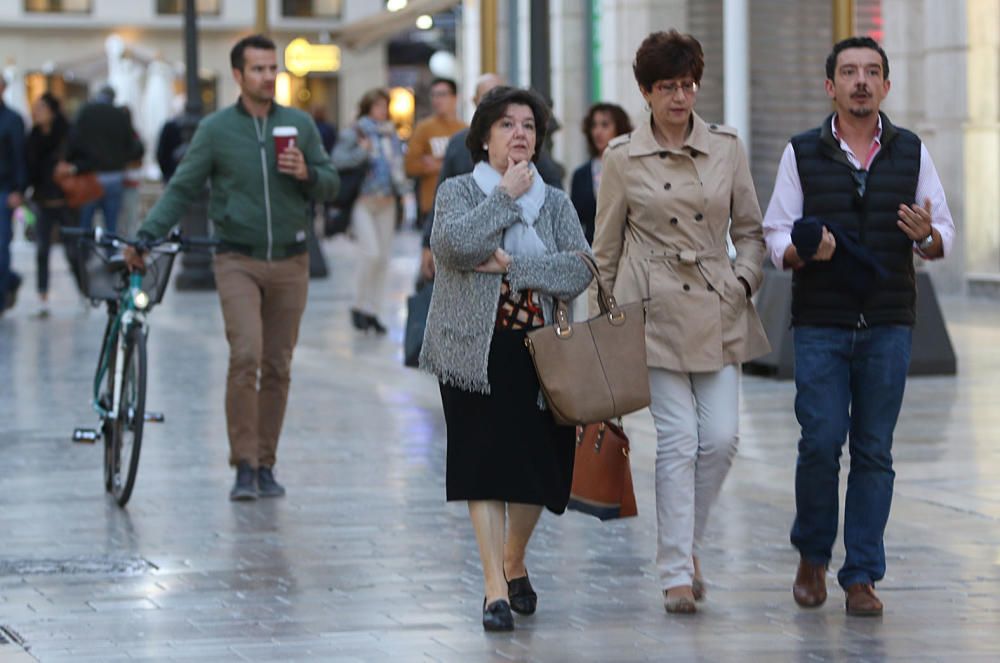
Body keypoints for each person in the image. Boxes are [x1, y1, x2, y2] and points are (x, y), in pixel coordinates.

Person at [762, 36, 955, 617]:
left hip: (890, 323)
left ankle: (863, 574)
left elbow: (943, 236)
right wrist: (803, 251)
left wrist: (925, 234)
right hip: (821, 323)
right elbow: (775, 236)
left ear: (886, 86)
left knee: (874, 450)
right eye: (849, 72)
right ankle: (812, 556)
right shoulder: (801, 153)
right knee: (821, 443)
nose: (861, 82)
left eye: (872, 72)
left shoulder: (913, 152)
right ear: (831, 86)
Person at [592, 30, 770, 614]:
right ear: (645, 91)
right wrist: (604, 324)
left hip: (718, 301)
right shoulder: (622, 157)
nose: (679, 96)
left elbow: (750, 229)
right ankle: (674, 571)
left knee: (721, 439)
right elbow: (606, 248)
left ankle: (687, 547)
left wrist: (743, 281)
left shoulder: (727, 147)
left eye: (688, 84)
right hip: (652, 309)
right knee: (679, 440)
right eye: (667, 86)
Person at [124, 34, 338, 501]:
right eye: (258, 69)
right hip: (236, 258)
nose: (268, 76)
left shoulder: (299, 125)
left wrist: (307, 173)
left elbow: (331, 185)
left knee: (278, 365)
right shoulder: (217, 130)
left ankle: (265, 462)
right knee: (245, 357)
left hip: (290, 259)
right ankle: (243, 463)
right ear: (238, 76)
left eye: (272, 68)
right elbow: (181, 188)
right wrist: (148, 234)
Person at [420, 86, 593, 632]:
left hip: (541, 350)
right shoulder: (458, 191)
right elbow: (451, 247)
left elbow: (580, 269)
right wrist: (504, 198)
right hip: (473, 349)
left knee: (538, 470)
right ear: (485, 137)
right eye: (506, 125)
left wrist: (514, 269)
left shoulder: (557, 202)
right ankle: (495, 585)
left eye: (528, 126)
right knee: (483, 467)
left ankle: (514, 557)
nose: (519, 134)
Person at [331, 88, 410, 334]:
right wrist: (362, 151)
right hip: (363, 201)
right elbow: (337, 160)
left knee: (384, 259)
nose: (382, 110)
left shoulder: (391, 134)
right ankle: (358, 304)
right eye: (377, 105)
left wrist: (402, 188)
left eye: (384, 105)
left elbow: (397, 165)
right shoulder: (356, 132)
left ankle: (373, 311)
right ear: (367, 107)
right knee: (371, 254)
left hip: (387, 201)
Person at [60, 85, 144, 234]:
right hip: (114, 174)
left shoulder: (86, 111)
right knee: (111, 226)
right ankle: (108, 256)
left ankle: (83, 255)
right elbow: (133, 146)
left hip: (90, 175)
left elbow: (72, 140)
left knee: (85, 226)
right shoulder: (119, 115)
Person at [26, 92, 80, 315]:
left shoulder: (67, 133)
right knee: (42, 250)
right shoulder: (33, 136)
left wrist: (71, 168)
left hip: (66, 200)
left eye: (40, 108)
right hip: (42, 200)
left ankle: (83, 291)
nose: (36, 113)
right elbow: (28, 167)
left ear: (51, 111)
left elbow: (86, 159)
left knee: (72, 251)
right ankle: (42, 296)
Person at [404, 78, 466, 230]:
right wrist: (447, 165)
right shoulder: (423, 128)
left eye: (442, 94)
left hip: (462, 206)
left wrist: (437, 163)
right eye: (434, 95)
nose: (437, 100)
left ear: (455, 98)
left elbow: (468, 167)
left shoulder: (465, 130)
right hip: (431, 205)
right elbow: (410, 166)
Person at [570, 103, 633, 244]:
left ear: (619, 128)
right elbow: (575, 222)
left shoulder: (633, 167)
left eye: (605, 125)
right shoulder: (581, 175)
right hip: (593, 251)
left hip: (629, 252)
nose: (598, 131)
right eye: (594, 125)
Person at [0, 76, 27, 315]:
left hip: (4, 189)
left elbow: (20, 157)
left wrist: (19, 189)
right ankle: (12, 280)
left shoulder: (13, 119)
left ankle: (1, 296)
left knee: (1, 245)